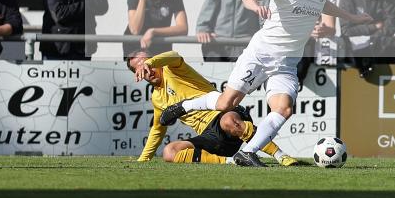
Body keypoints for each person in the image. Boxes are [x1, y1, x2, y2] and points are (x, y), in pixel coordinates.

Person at [159, 0, 373, 167]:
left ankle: (248, 152)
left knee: (284, 108)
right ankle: (185, 106)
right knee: (226, 103)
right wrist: (255, 6)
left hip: (287, 63)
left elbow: (323, 4)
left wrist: (353, 18)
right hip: (260, 54)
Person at [127, 50, 298, 166]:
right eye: (140, 68)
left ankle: (280, 155)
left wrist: (148, 62)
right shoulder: (157, 99)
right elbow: (158, 129)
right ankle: (231, 161)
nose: (147, 69)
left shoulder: (173, 70)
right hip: (210, 136)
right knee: (169, 152)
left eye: (147, 63)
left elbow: (174, 55)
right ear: (138, 74)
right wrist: (143, 159)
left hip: (224, 112)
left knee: (228, 121)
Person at [123, 0, 188, 59]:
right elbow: (135, 30)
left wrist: (153, 32)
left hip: (161, 45)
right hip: (136, 48)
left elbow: (183, 28)